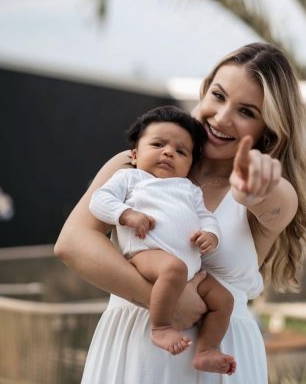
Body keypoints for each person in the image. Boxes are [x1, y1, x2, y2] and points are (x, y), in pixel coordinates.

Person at [55, 42, 306, 383]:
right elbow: (72, 243)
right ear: (204, 90)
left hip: (220, 364)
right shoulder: (134, 166)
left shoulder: (273, 192)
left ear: (267, 129)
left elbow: (272, 199)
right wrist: (162, 303)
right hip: (132, 355)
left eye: (247, 112)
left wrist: (251, 187)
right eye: (218, 95)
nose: (221, 118)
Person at [89, 106, 236, 374]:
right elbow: (98, 201)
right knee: (173, 269)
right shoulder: (130, 177)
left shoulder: (189, 189)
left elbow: (206, 217)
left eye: (181, 151)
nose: (169, 152)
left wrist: (210, 235)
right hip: (146, 254)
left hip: (190, 272)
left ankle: (206, 350)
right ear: (134, 154)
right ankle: (161, 327)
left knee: (224, 300)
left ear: (190, 165)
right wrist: (126, 214)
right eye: (158, 144)